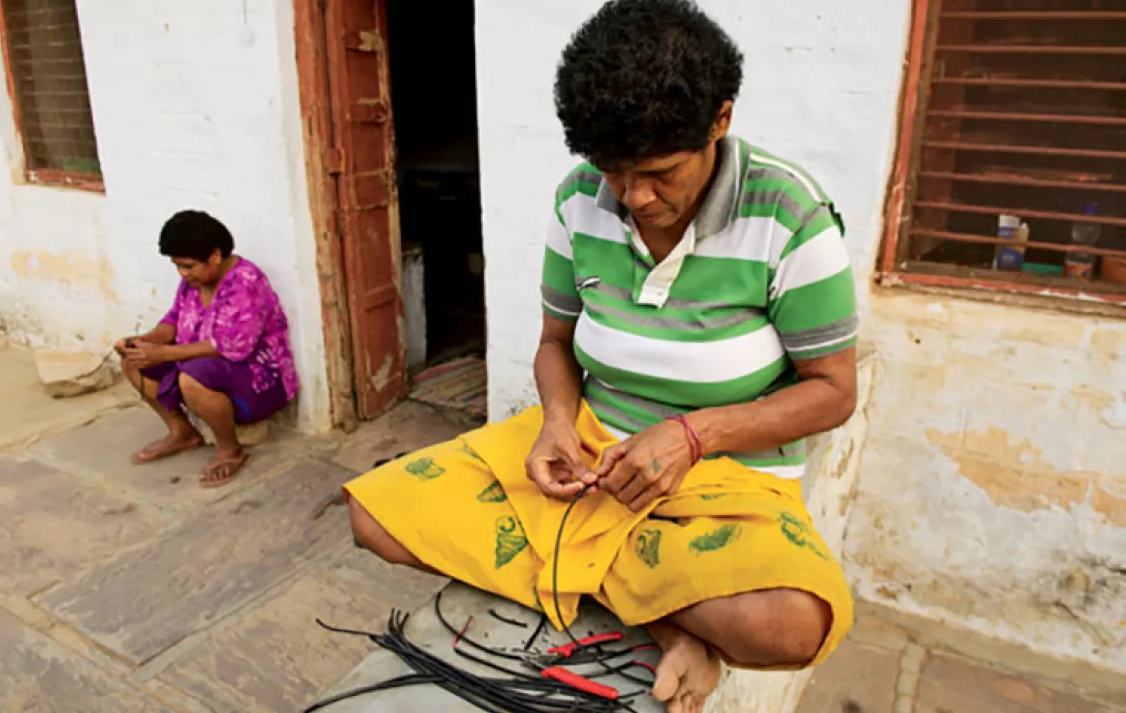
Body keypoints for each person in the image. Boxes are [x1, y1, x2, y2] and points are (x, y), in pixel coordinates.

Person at [343, 1, 859, 711]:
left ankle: (576, 564)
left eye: (658, 172)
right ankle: (668, 617)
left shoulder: (790, 213)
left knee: (794, 622)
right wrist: (557, 421)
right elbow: (556, 343)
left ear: (720, 120)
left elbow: (833, 391)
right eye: (613, 171)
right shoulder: (580, 200)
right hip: (591, 456)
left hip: (722, 477)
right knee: (375, 516)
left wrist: (692, 433)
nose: (634, 196)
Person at [117, 210, 298, 488]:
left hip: (258, 380)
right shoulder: (193, 282)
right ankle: (182, 433)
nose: (182, 273)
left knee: (192, 378)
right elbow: (173, 322)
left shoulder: (245, 282)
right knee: (133, 362)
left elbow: (232, 347)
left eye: (188, 266)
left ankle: (229, 449)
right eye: (178, 266)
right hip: (207, 365)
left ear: (214, 256)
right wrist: (144, 342)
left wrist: (163, 354)